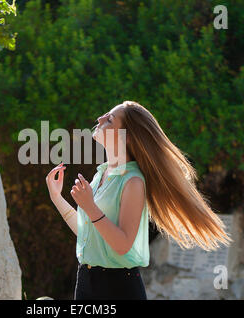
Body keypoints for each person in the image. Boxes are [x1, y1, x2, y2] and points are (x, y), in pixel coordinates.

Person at [45, 100, 232, 300]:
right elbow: (88, 233)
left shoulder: (133, 181)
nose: (99, 119)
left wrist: (90, 207)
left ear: (127, 138)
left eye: (110, 119)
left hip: (118, 287)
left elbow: (123, 244)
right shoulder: (102, 174)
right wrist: (57, 198)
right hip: (86, 281)